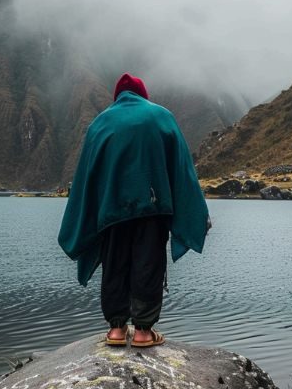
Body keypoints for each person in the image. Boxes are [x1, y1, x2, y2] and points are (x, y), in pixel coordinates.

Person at [58, 73, 210, 347]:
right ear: (143, 95)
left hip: (111, 213)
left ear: (118, 97)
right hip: (153, 209)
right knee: (148, 264)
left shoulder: (99, 123)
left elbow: (85, 178)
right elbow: (182, 168)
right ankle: (142, 332)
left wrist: (84, 215)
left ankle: (116, 330)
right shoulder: (161, 117)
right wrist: (194, 211)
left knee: (114, 264)